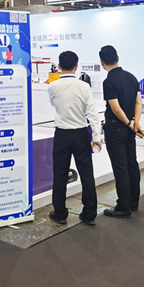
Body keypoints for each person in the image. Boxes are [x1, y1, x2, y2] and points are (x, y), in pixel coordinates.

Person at [47, 51, 101, 226]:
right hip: (81, 134)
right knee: (87, 174)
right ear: (76, 66)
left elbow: (53, 104)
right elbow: (92, 113)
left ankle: (60, 213)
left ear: (59, 66)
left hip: (62, 134)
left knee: (60, 175)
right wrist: (97, 136)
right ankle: (90, 213)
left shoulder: (53, 86)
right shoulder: (84, 86)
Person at [100, 45, 143, 218]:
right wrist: (135, 122)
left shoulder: (109, 81)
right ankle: (133, 201)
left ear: (102, 62)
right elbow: (138, 102)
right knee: (132, 163)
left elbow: (116, 108)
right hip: (130, 127)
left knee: (120, 167)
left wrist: (128, 123)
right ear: (118, 58)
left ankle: (123, 206)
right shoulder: (131, 77)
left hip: (116, 128)